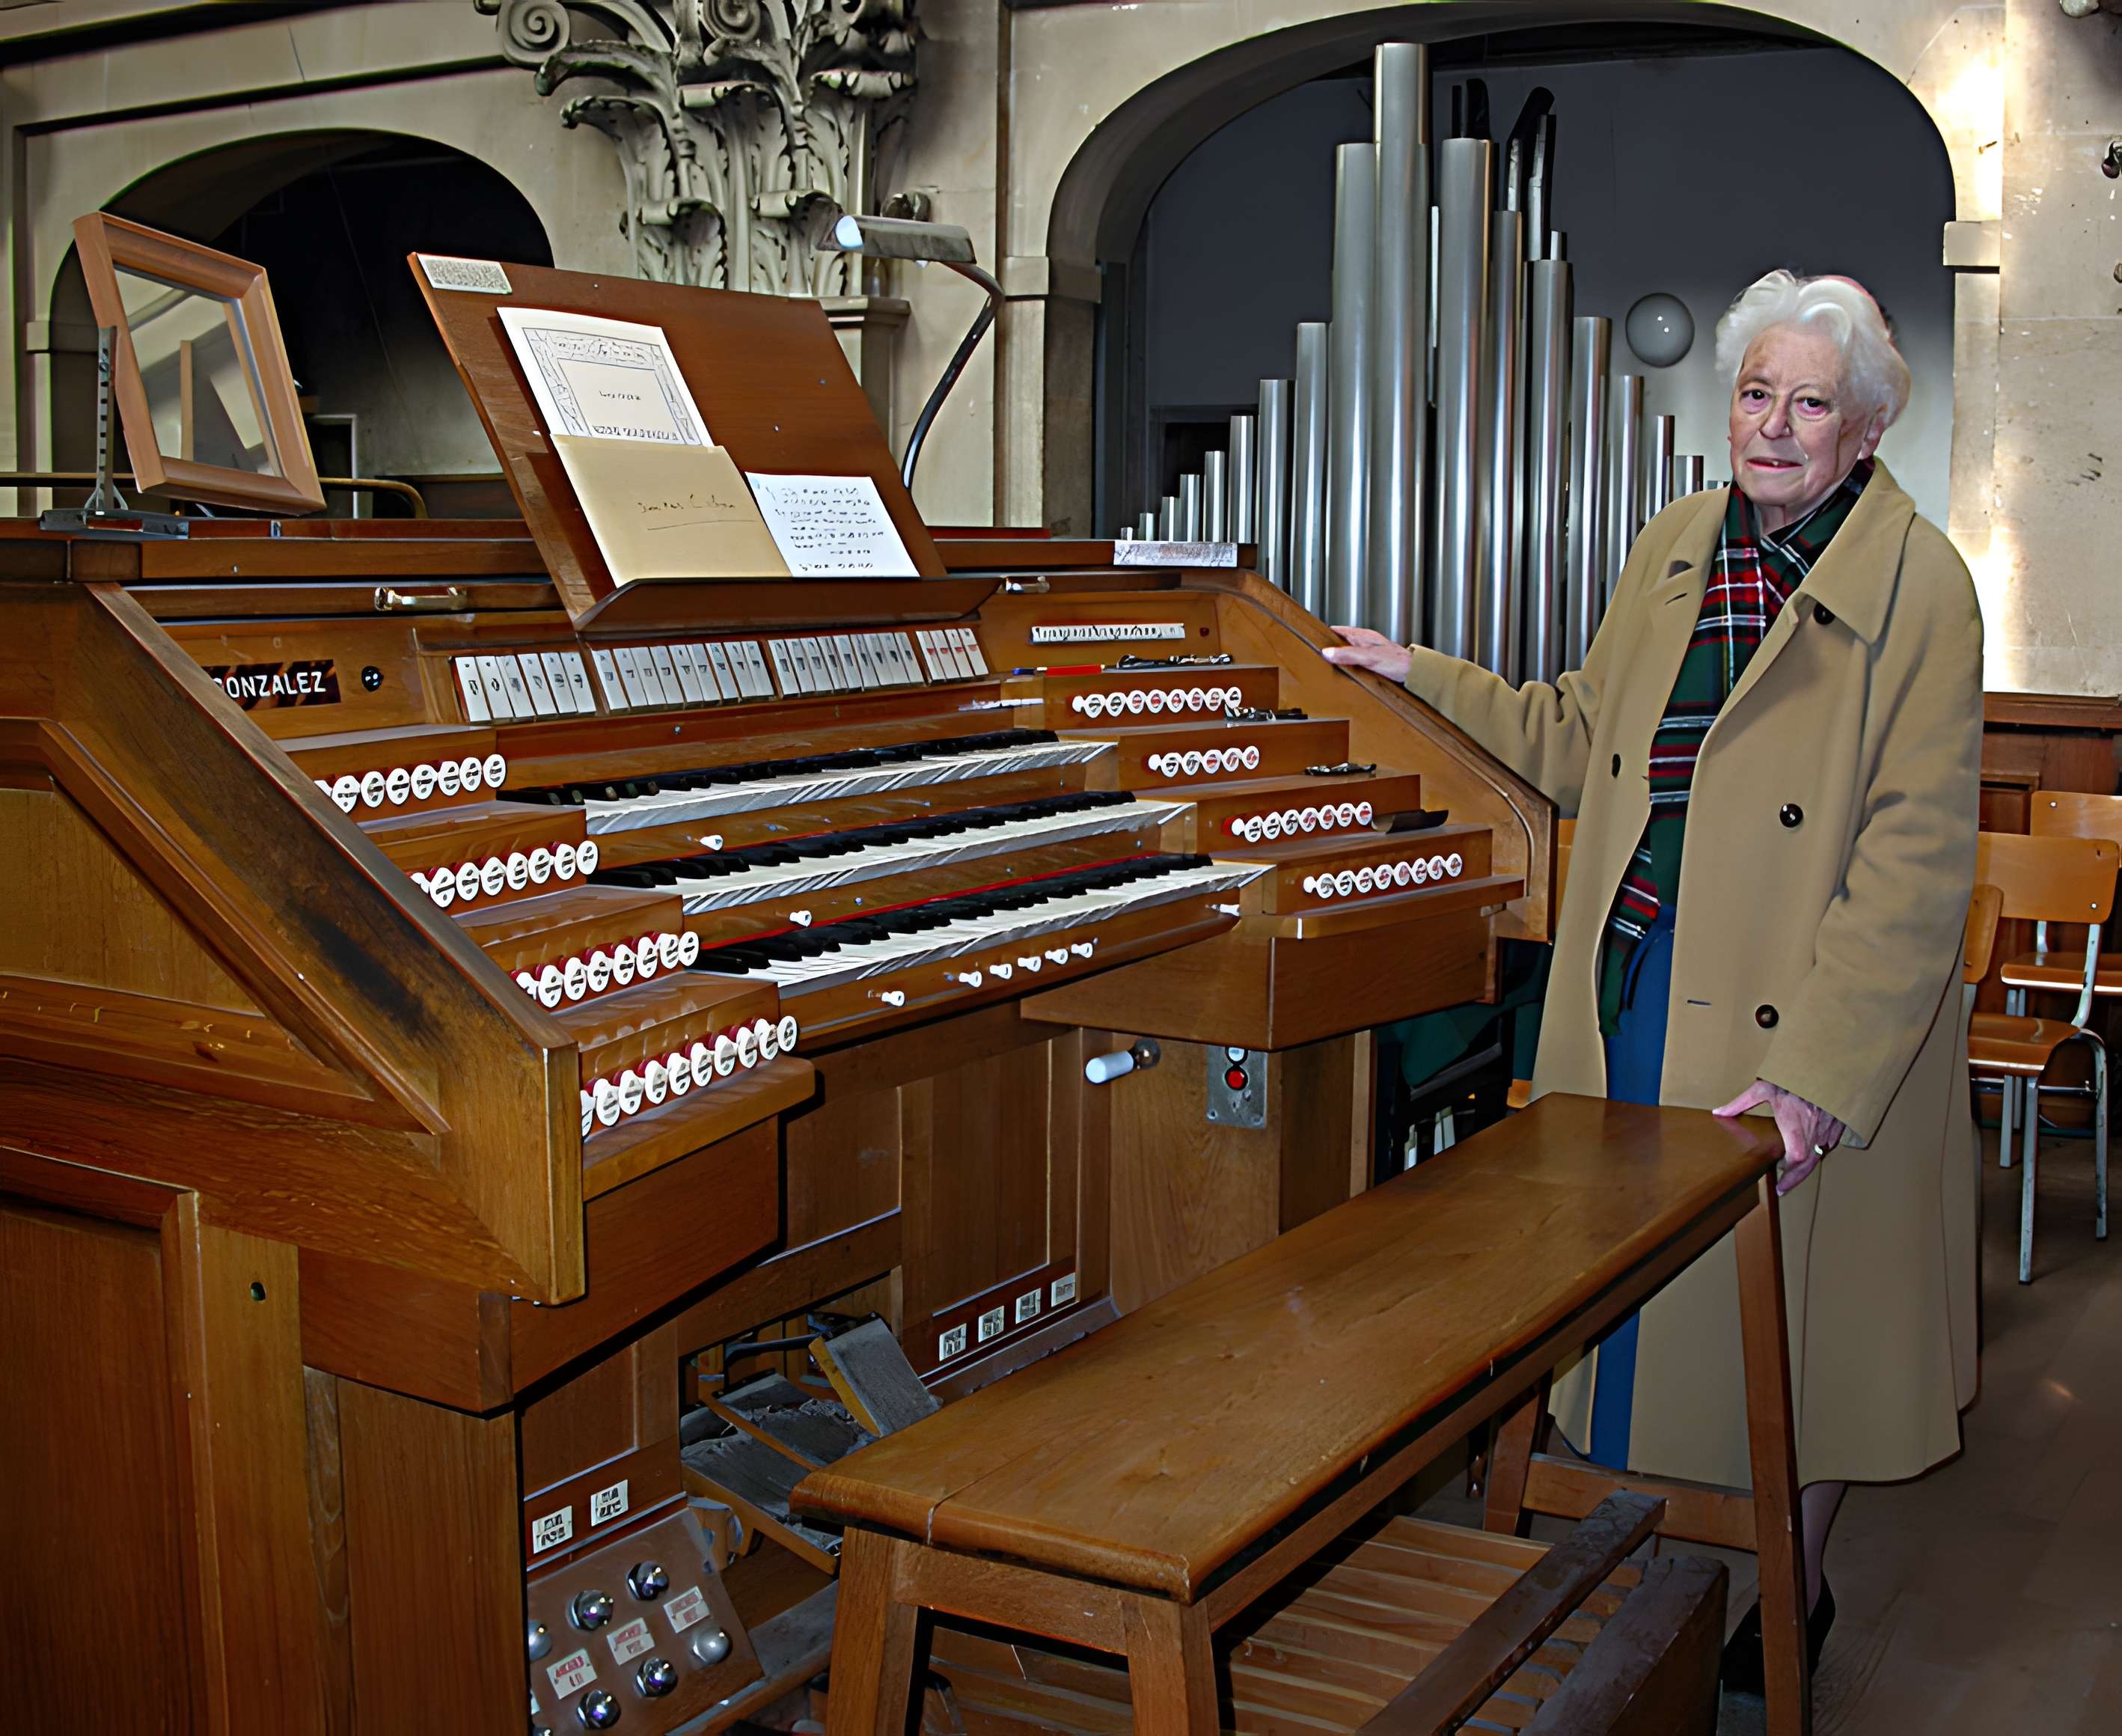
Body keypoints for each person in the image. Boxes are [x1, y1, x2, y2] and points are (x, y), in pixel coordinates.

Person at [1326, 269, 1983, 1694]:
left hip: (1808, 1018)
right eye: (1757, 392)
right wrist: (1414, 677)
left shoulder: (1920, 584)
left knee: (1808, 1348)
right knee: (1625, 1328)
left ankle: (1786, 1598)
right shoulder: (1679, 541)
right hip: (1635, 991)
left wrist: (1818, 1075)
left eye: (1812, 402)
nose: (1775, 424)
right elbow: (1572, 730)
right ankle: (1630, 1589)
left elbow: (1918, 861)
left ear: (1864, 429)